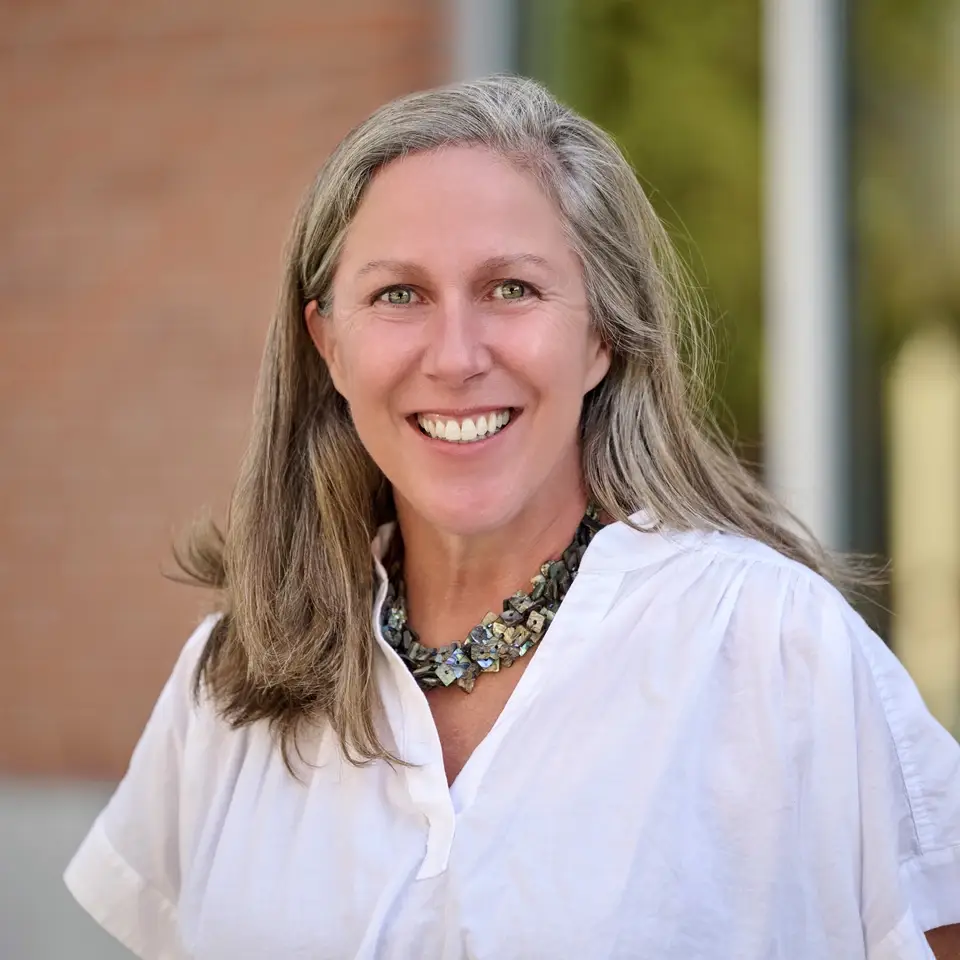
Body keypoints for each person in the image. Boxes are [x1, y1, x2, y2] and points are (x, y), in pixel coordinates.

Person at [64, 75, 960, 959]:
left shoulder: (770, 646)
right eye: (398, 295)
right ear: (329, 345)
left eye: (511, 289)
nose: (456, 357)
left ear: (602, 334)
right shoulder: (231, 674)